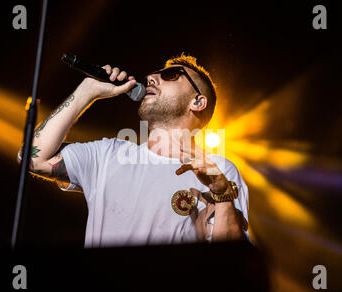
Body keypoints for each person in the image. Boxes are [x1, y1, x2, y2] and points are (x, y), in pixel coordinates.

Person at [18, 54, 251, 247]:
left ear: (198, 102)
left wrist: (222, 192)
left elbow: (231, 267)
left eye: (170, 75)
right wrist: (87, 92)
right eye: (154, 73)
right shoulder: (108, 154)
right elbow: (31, 158)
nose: (150, 77)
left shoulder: (219, 172)